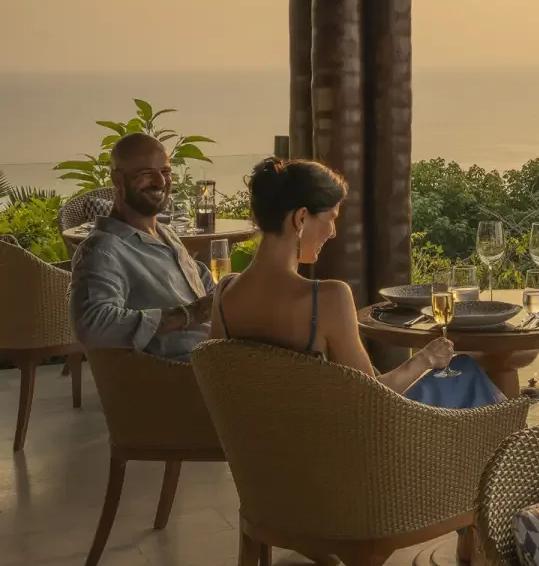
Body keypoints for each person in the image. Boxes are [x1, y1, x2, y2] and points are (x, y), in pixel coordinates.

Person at [211, 156, 506, 407]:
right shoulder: (327, 298)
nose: (333, 232)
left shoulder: (225, 295)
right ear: (301, 219)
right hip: (352, 450)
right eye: (332, 218)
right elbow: (371, 396)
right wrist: (426, 359)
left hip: (276, 453)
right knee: (467, 371)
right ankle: (505, 467)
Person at [69, 133, 214, 359]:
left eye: (165, 172)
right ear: (118, 179)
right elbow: (93, 324)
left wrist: (233, 290)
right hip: (177, 377)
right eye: (146, 174)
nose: (160, 182)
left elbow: (196, 285)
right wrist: (184, 316)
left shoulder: (165, 234)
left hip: (214, 360)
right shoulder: (102, 250)